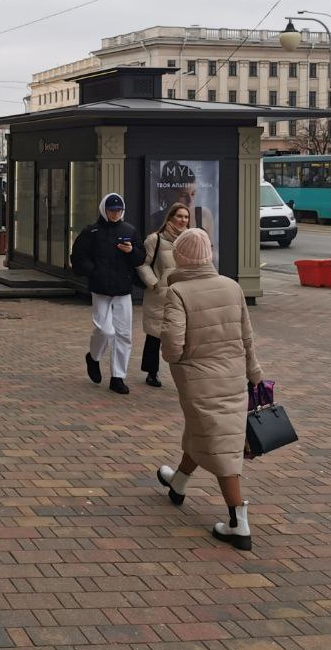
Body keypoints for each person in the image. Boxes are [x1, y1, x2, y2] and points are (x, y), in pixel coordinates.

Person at [155, 228, 264, 551]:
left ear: (181, 257)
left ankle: (237, 521)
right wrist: (254, 373)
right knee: (205, 432)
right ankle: (179, 482)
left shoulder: (179, 293)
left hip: (197, 377)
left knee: (218, 443)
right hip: (232, 376)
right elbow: (247, 337)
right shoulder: (232, 287)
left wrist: (176, 359)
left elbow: (173, 346)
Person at [70, 193, 146, 395]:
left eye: (118, 210)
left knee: (124, 334)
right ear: (104, 210)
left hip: (123, 288)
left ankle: (118, 377)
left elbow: (140, 258)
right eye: (112, 210)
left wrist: (131, 252)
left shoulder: (129, 230)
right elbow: (78, 256)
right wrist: (92, 271)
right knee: (105, 330)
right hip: (100, 288)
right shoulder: (91, 231)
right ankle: (93, 357)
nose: (115, 214)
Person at [140, 202, 190, 389]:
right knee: (155, 335)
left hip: (184, 295)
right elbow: (143, 264)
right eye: (179, 216)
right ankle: (152, 372)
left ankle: (185, 372)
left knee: (184, 335)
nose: (183, 220)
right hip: (160, 295)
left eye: (186, 217)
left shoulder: (191, 239)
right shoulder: (155, 240)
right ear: (170, 218)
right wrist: (154, 283)